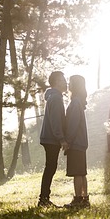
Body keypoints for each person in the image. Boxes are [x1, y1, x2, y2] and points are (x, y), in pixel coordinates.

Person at [38, 70, 68, 207]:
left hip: (48, 138)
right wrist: (61, 139)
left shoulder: (54, 96)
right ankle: (43, 200)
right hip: (51, 139)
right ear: (56, 82)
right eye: (63, 79)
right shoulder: (56, 98)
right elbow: (56, 121)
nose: (65, 82)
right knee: (50, 168)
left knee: (50, 167)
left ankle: (44, 199)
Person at [63, 74, 89, 207]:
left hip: (76, 143)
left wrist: (67, 141)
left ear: (75, 85)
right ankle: (85, 199)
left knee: (77, 173)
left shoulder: (75, 103)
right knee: (82, 172)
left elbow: (73, 124)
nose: (68, 84)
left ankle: (78, 199)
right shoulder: (79, 101)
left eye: (70, 82)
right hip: (81, 143)